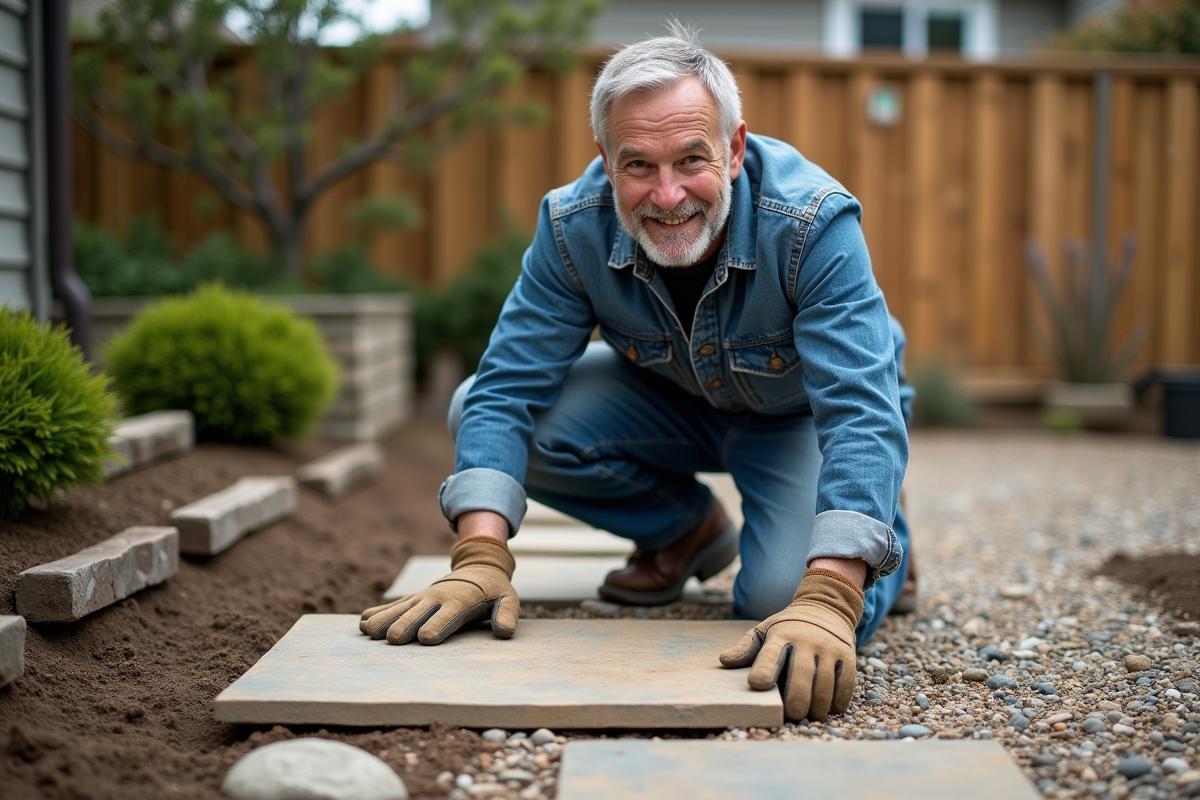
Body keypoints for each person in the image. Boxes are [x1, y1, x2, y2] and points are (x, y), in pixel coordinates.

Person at [361, 24, 914, 723]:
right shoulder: (572, 227)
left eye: (691, 159)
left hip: (797, 415)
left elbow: (862, 411)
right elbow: (505, 390)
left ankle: (884, 535)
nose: (668, 194)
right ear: (605, 159)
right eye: (638, 166)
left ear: (736, 148)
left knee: (781, 603)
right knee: (468, 402)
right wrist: (478, 556)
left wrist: (833, 592)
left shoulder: (810, 223)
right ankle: (683, 530)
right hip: (674, 404)